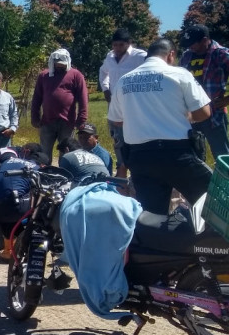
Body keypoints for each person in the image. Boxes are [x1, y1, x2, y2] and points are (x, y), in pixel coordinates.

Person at [108, 38, 213, 215]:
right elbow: (204, 112)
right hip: (177, 155)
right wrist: (187, 116)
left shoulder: (124, 81)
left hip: (140, 157)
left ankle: (156, 241)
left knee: (152, 215)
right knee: (213, 202)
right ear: (171, 55)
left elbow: (116, 120)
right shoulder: (179, 74)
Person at [0, 149, 48, 263]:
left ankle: (7, 245)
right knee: (39, 201)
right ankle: (25, 244)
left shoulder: (8, 161)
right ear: (42, 165)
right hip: (14, 209)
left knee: (12, 195)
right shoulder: (36, 169)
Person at [98, 28, 147, 178]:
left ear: (129, 43)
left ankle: (139, 172)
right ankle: (121, 172)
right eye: (114, 45)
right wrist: (105, 88)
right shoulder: (110, 57)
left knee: (136, 138)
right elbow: (103, 72)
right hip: (114, 105)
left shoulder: (141, 56)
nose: (117, 48)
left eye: (121, 45)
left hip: (134, 106)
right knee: (118, 139)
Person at [180, 23, 229, 159]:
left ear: (205, 40)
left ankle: (225, 180)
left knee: (222, 155)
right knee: (194, 154)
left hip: (214, 114)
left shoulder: (221, 54)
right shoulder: (186, 56)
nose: (190, 46)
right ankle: (201, 180)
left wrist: (226, 100)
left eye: (193, 43)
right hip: (190, 113)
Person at [31, 49, 89, 160]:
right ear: (52, 63)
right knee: (44, 152)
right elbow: (37, 98)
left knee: (66, 152)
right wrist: (35, 117)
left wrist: (82, 119)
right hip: (47, 121)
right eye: (57, 65)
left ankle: (65, 174)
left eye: (62, 65)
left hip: (68, 122)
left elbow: (83, 99)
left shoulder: (76, 75)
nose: (60, 67)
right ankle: (45, 173)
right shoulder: (44, 76)